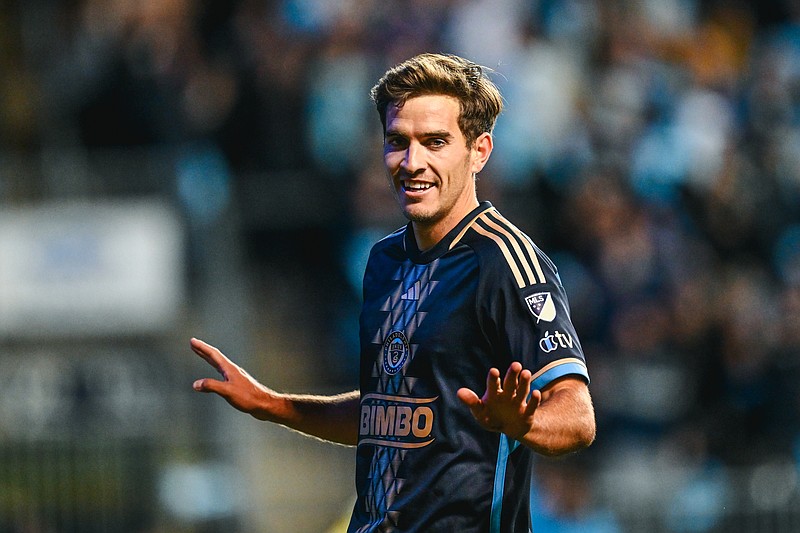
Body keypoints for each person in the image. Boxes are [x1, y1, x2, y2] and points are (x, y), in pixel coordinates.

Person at [191, 52, 596, 533]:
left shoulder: (504, 262)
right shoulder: (384, 260)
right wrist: (274, 405)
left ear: (480, 151)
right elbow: (386, 415)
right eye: (397, 142)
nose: (412, 162)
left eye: (435, 142)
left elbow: (578, 416)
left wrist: (521, 423)